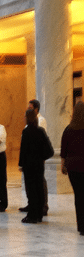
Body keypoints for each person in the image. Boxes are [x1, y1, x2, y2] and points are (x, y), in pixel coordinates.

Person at [19, 109, 54, 224]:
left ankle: (32, 216)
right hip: (39, 165)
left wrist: (21, 164)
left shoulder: (26, 132)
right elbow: (50, 150)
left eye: (24, 116)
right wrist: (41, 158)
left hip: (29, 166)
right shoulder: (41, 131)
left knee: (31, 190)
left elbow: (23, 150)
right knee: (39, 189)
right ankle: (39, 214)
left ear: (28, 118)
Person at [60, 101, 84, 236]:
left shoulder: (68, 129)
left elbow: (63, 150)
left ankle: (81, 225)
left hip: (73, 167)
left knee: (79, 196)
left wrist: (63, 165)